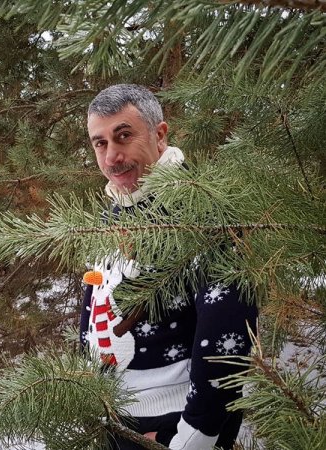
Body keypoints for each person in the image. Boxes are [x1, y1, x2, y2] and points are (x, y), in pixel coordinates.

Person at [79, 84, 258, 450]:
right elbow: (96, 295)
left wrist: (197, 432)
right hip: (114, 414)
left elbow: (227, 330)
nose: (112, 157)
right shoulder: (114, 210)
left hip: (174, 423)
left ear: (159, 135)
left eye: (123, 136)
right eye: (100, 143)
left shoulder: (202, 210)